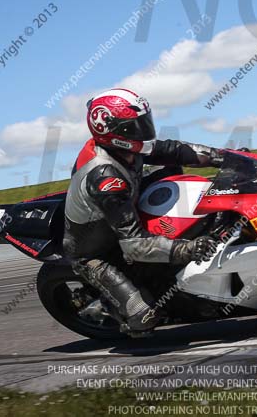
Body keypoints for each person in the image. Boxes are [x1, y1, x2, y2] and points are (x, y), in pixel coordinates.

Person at [63, 88, 222, 337]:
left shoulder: (125, 147)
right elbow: (134, 246)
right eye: (134, 126)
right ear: (111, 131)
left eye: (144, 122)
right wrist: (188, 250)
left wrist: (223, 157)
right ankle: (112, 309)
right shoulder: (106, 178)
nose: (144, 130)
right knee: (144, 317)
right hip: (99, 253)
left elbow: (174, 149)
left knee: (172, 167)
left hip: (125, 207)